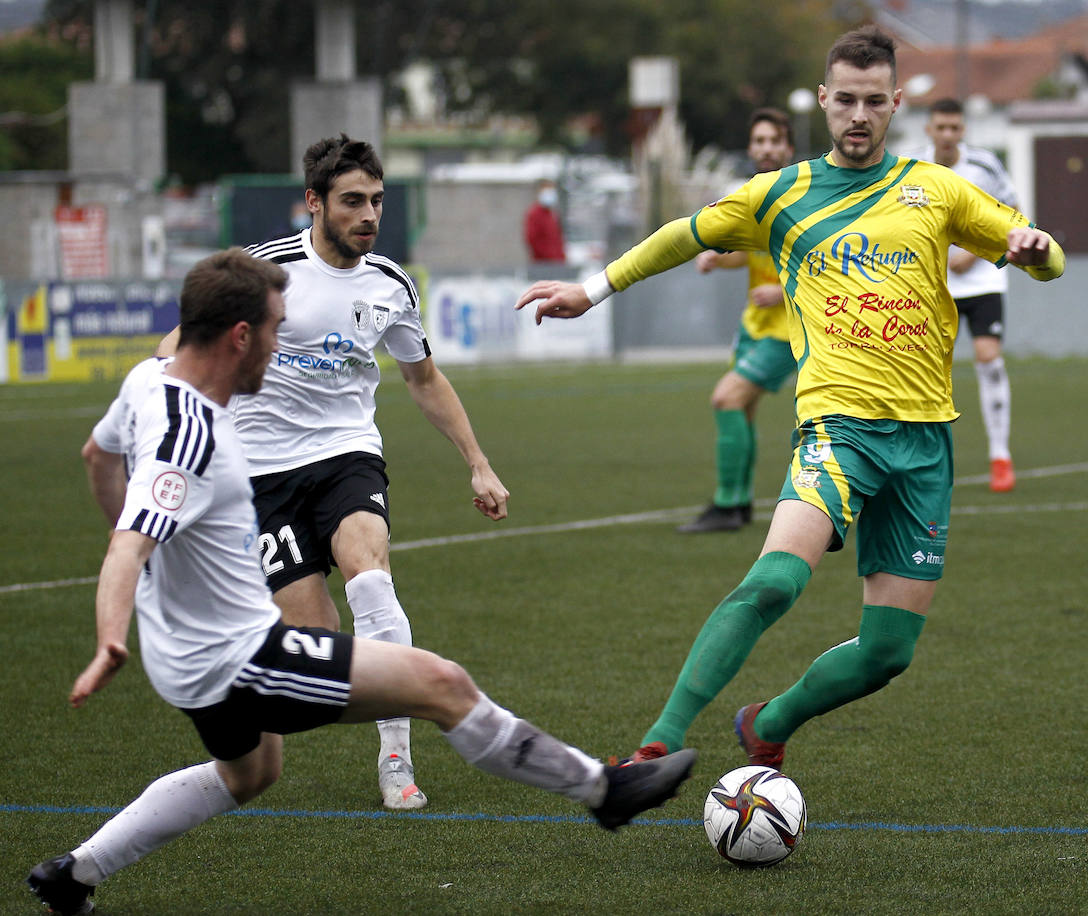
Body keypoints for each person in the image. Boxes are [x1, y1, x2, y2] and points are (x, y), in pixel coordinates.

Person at [26, 248, 695, 916]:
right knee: (443, 684)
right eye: (275, 330)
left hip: (187, 652)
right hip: (234, 660)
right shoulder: (192, 434)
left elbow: (98, 453)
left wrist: (151, 588)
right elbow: (128, 544)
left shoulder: (147, 380)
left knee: (252, 773)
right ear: (240, 336)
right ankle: (606, 792)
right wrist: (111, 638)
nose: (279, 348)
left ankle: (73, 874)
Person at [516, 26, 1063, 770]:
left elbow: (1040, 253)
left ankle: (769, 723)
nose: (860, 116)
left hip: (927, 443)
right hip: (838, 430)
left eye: (875, 101)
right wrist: (590, 289)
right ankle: (659, 744)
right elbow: (681, 235)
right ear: (823, 100)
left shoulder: (936, 190)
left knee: (887, 654)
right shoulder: (782, 194)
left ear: (898, 102)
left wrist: (1038, 253)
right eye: (846, 100)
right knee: (774, 580)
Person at [157, 134, 510, 810]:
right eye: (352, 201)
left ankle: (397, 760)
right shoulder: (264, 269)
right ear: (313, 203)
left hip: (347, 455)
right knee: (316, 658)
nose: (368, 215)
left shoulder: (391, 284)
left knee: (369, 572)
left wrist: (479, 465)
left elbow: (424, 377)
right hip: (261, 480)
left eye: (376, 200)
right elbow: (180, 347)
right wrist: (156, 405)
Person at [679, 108, 797, 534]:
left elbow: (826, 266)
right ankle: (741, 503)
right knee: (742, 410)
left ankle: (727, 504)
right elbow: (754, 253)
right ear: (751, 147)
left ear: (789, 147)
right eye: (759, 141)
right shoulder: (749, 194)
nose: (766, 148)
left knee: (725, 398)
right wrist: (719, 258)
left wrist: (782, 293)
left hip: (789, 330)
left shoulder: (802, 197)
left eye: (774, 141)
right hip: (755, 325)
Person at [918, 97, 1020, 492]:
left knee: (988, 358)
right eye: (940, 127)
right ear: (929, 129)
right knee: (925, 369)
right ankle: (923, 459)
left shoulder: (985, 165)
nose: (947, 135)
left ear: (963, 131)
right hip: (930, 284)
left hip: (981, 282)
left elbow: (1014, 215)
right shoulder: (912, 166)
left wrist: (974, 254)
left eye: (954, 128)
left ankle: (1000, 455)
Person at [524, 178, 567, 264]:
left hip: (557, 262)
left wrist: (560, 257)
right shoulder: (535, 214)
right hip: (543, 263)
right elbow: (532, 239)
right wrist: (547, 256)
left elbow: (557, 238)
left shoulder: (552, 214)